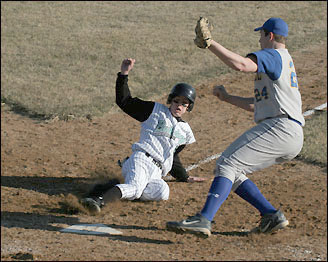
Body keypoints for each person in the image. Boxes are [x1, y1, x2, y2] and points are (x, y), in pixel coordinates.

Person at [166, 17, 304, 237]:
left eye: (261, 35)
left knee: (227, 164)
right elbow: (257, 105)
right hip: (289, 133)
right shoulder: (284, 61)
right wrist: (228, 98)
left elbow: (241, 64)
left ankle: (204, 219)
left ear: (269, 36)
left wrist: (210, 43)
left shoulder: (273, 55)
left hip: (281, 128)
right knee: (233, 169)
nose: (259, 40)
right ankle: (270, 215)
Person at [81, 58, 205, 215]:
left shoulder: (185, 131)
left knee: (162, 192)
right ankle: (97, 200)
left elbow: (173, 158)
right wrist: (123, 74)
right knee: (135, 189)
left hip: (156, 172)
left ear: (189, 107)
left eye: (184, 103)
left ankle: (111, 187)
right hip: (141, 161)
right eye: (176, 101)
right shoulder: (154, 110)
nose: (179, 105)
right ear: (170, 100)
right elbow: (124, 101)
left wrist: (185, 177)